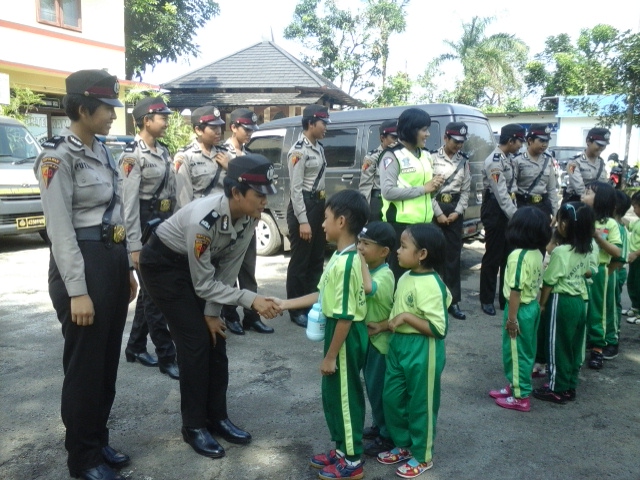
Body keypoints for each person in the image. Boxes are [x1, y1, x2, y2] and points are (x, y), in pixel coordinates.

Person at [138, 155, 281, 459]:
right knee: (195, 343)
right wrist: (250, 299)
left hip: (198, 271)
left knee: (216, 340)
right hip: (163, 267)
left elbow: (228, 270)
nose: (264, 202)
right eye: (259, 195)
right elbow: (204, 285)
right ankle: (193, 426)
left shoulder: (249, 218)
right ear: (236, 193)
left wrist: (212, 314)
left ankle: (217, 418)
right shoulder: (205, 221)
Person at [34, 69, 137, 480]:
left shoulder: (103, 150)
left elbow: (118, 213)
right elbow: (60, 231)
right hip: (81, 262)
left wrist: (126, 267)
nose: (113, 114)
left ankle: (98, 439)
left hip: (109, 260)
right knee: (85, 367)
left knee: (106, 362)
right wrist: (77, 290)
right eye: (106, 107)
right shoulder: (57, 157)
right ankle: (83, 458)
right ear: (82, 108)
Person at [280, 189, 370, 480]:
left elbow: (344, 316)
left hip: (343, 334)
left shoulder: (345, 263)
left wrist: (331, 356)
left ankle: (352, 460)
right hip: (339, 331)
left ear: (341, 221)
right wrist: (283, 304)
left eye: (326, 218)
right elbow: (321, 294)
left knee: (344, 395)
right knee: (334, 393)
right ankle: (342, 449)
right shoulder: (342, 256)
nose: (321, 224)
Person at [376, 223, 451, 478]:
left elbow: (439, 328)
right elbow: (398, 314)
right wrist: (383, 326)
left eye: (404, 246)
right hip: (399, 346)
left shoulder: (431, 283)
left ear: (422, 254)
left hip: (423, 348)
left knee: (421, 403)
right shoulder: (406, 276)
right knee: (393, 398)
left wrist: (407, 317)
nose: (397, 251)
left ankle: (422, 455)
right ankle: (404, 445)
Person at [120, 96, 179, 380]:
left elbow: (172, 194)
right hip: (144, 226)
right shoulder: (133, 156)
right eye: (162, 118)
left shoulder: (163, 151)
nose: (166, 122)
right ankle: (168, 356)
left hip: (163, 224)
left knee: (149, 290)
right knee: (157, 293)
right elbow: (128, 206)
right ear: (147, 120)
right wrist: (133, 246)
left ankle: (134, 346)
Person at [489, 207, 551, 412]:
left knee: (515, 352)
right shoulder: (536, 252)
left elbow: (515, 290)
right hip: (531, 306)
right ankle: (514, 386)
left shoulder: (518, 255)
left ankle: (520, 396)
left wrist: (512, 319)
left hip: (519, 309)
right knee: (525, 351)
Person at [533, 202, 595, 404]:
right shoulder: (586, 249)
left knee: (556, 345)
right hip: (579, 301)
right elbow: (588, 272)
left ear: (565, 225)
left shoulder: (560, 252)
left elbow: (549, 282)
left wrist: (542, 304)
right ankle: (569, 385)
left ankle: (555, 388)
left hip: (561, 301)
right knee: (573, 346)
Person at [219, 108, 273, 335]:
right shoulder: (220, 153)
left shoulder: (249, 153)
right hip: (227, 222)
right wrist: (229, 167)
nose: (250, 133)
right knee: (229, 271)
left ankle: (252, 316)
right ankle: (230, 315)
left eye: (252, 129)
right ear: (234, 127)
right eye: (246, 129)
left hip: (248, 223)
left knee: (249, 271)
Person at [379, 108, 444, 282]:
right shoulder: (391, 156)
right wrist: (424, 188)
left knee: (422, 276)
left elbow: (428, 192)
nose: (428, 134)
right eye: (424, 130)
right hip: (401, 226)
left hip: (424, 225)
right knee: (399, 277)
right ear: (411, 129)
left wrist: (435, 187)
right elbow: (388, 191)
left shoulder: (426, 155)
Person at [286, 104, 331, 328]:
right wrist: (303, 220)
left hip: (318, 206)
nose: (325, 128)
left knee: (316, 260)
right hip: (303, 206)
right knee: (300, 262)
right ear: (311, 123)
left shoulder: (319, 148)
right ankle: (296, 310)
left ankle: (312, 304)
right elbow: (295, 190)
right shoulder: (298, 151)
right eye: (323, 123)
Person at [355, 222, 396, 457]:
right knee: (372, 388)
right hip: (370, 342)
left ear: (384, 252)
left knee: (381, 392)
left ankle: (387, 436)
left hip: (381, 344)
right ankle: (378, 426)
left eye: (366, 245)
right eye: (359, 242)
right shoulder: (371, 269)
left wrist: (357, 259)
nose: (360, 248)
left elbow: (368, 289)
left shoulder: (385, 275)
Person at [479, 124, 526, 316]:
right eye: (519, 141)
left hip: (508, 209)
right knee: (493, 256)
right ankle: (487, 299)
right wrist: (516, 217)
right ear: (510, 140)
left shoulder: (509, 159)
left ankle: (504, 297)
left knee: (508, 256)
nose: (521, 145)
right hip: (496, 211)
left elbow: (512, 189)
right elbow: (500, 194)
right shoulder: (495, 161)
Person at [431, 122, 471, 320]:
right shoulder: (431, 158)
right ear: (446, 138)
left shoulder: (464, 161)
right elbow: (428, 189)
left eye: (461, 142)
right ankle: (435, 299)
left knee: (453, 258)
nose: (458, 146)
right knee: (433, 257)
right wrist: (438, 213)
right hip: (435, 209)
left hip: (454, 211)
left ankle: (453, 301)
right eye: (455, 141)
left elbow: (466, 190)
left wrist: (458, 211)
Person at [581, 182, 622, 369]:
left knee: (598, 311)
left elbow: (617, 252)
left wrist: (597, 237)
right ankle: (581, 346)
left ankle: (598, 348)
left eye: (588, 192)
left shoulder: (610, 224)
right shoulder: (581, 217)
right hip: (579, 272)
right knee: (581, 309)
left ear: (601, 200)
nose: (584, 194)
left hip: (599, 272)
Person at [174, 105, 228, 209]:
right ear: (198, 130)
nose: (218, 131)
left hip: (223, 216)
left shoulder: (225, 154)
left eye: (219, 126)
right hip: (198, 216)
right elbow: (184, 199)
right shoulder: (186, 157)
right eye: (213, 128)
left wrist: (230, 168)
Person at [513, 124, 559, 220]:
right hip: (524, 208)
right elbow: (511, 189)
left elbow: (551, 189)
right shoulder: (517, 160)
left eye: (547, 141)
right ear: (530, 140)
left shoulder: (548, 160)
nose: (545, 145)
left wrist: (555, 213)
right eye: (541, 140)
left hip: (543, 208)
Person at [359, 120, 398, 222]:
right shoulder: (372, 158)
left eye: (398, 138)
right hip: (379, 202)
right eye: (393, 138)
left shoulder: (400, 156)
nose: (396, 141)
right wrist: (364, 213)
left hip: (396, 201)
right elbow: (365, 186)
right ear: (382, 138)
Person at [609, 190, 631, 355]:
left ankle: (612, 339)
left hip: (615, 271)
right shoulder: (612, 224)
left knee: (612, 305)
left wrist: (608, 273)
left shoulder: (618, 228)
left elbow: (620, 258)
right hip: (610, 272)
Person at [563, 128, 610, 203]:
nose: (601, 148)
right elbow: (579, 188)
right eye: (599, 144)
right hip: (576, 202)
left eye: (604, 145)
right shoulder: (573, 163)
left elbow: (603, 185)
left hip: (595, 203)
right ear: (588, 141)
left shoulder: (601, 163)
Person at [625, 191, 640, 324]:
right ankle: (635, 307)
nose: (634, 210)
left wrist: (636, 253)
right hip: (634, 259)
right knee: (633, 282)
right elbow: (630, 226)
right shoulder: (638, 222)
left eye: (635, 207)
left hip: (638, 256)